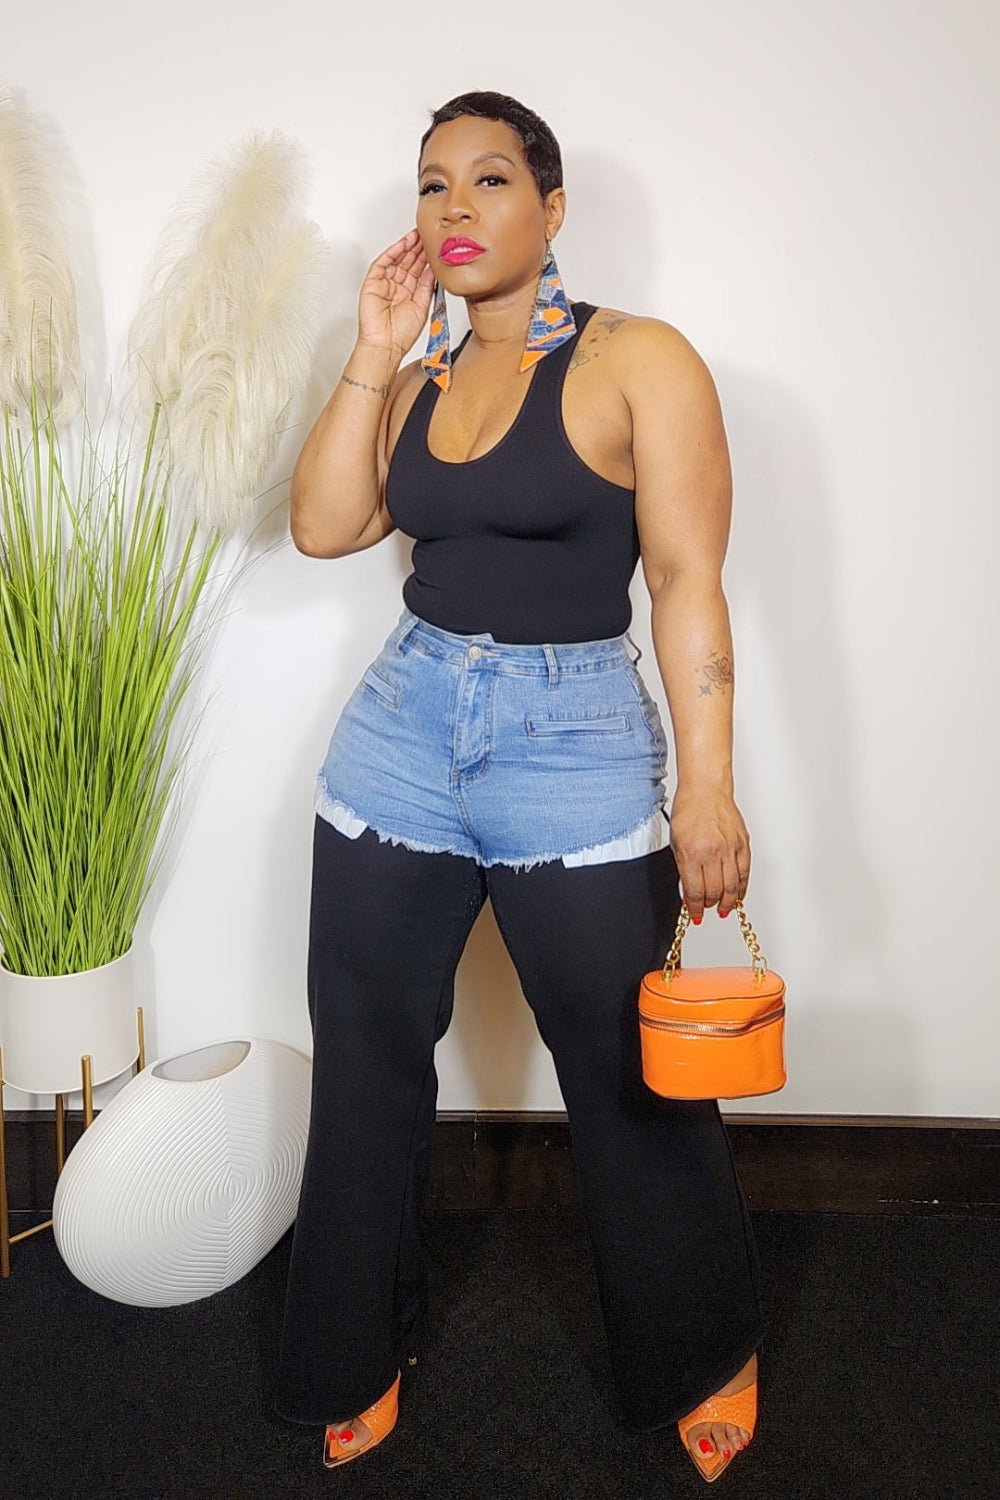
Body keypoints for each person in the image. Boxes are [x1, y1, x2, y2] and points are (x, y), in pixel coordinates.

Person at [273, 91, 763, 1483]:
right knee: (367, 1052)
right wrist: (374, 350)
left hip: (575, 740)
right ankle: (351, 1350)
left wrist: (708, 789)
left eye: (490, 180)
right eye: (433, 185)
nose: (455, 208)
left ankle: (699, 1349)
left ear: (553, 208)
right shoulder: (419, 373)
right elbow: (323, 526)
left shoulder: (637, 359)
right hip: (402, 733)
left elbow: (686, 579)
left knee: (623, 1073)